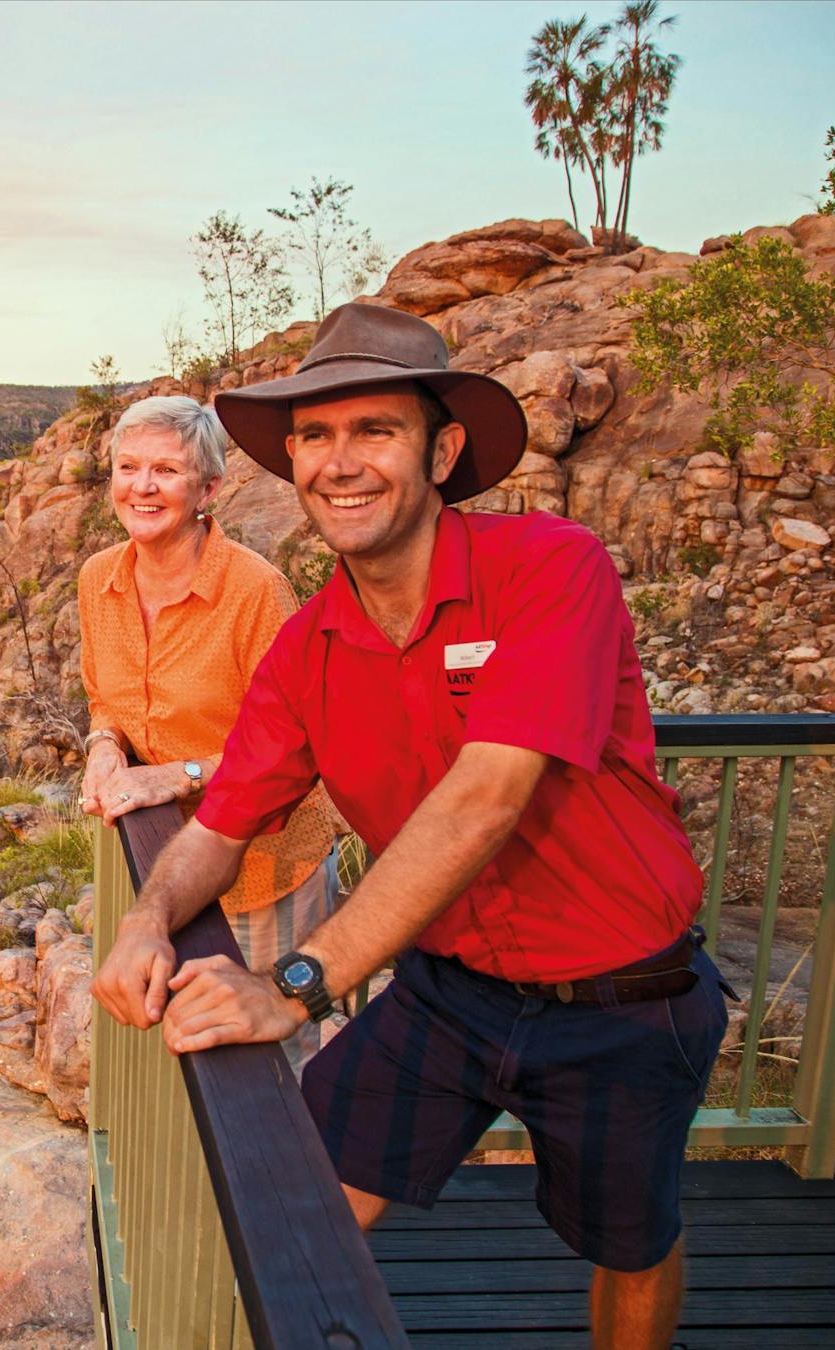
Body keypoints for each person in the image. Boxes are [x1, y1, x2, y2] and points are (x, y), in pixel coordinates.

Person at [90, 304, 728, 1350]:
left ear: (442, 450)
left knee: (631, 1247)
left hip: (626, 997)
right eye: (315, 437)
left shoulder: (550, 569)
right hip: (449, 992)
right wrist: (149, 916)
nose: (340, 464)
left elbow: (486, 797)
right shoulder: (310, 649)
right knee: (299, 1206)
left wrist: (293, 985)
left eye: (373, 430)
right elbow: (225, 818)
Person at [77, 394, 343, 1067]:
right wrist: (105, 750)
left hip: (265, 866)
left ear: (208, 489)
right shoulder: (99, 580)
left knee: (275, 1059)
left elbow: (303, 747)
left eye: (165, 470)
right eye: (128, 467)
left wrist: (179, 774)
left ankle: (293, 1174)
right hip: (169, 867)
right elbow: (102, 700)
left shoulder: (255, 592)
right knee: (188, 1034)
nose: (142, 486)